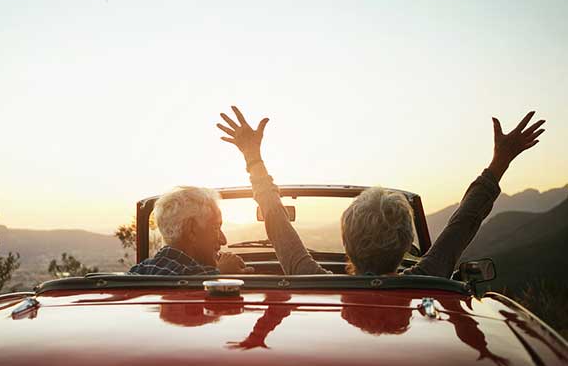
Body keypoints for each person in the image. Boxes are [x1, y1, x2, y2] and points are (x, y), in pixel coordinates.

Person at [216, 106, 545, 277]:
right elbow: (466, 221)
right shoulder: (427, 276)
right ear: (405, 245)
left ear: (346, 242)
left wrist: (253, 158)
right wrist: (500, 161)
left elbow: (275, 220)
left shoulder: (309, 277)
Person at [129, 186, 255, 275]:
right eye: (216, 227)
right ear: (192, 230)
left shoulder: (139, 271)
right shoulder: (184, 274)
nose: (223, 240)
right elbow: (178, 279)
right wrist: (219, 273)